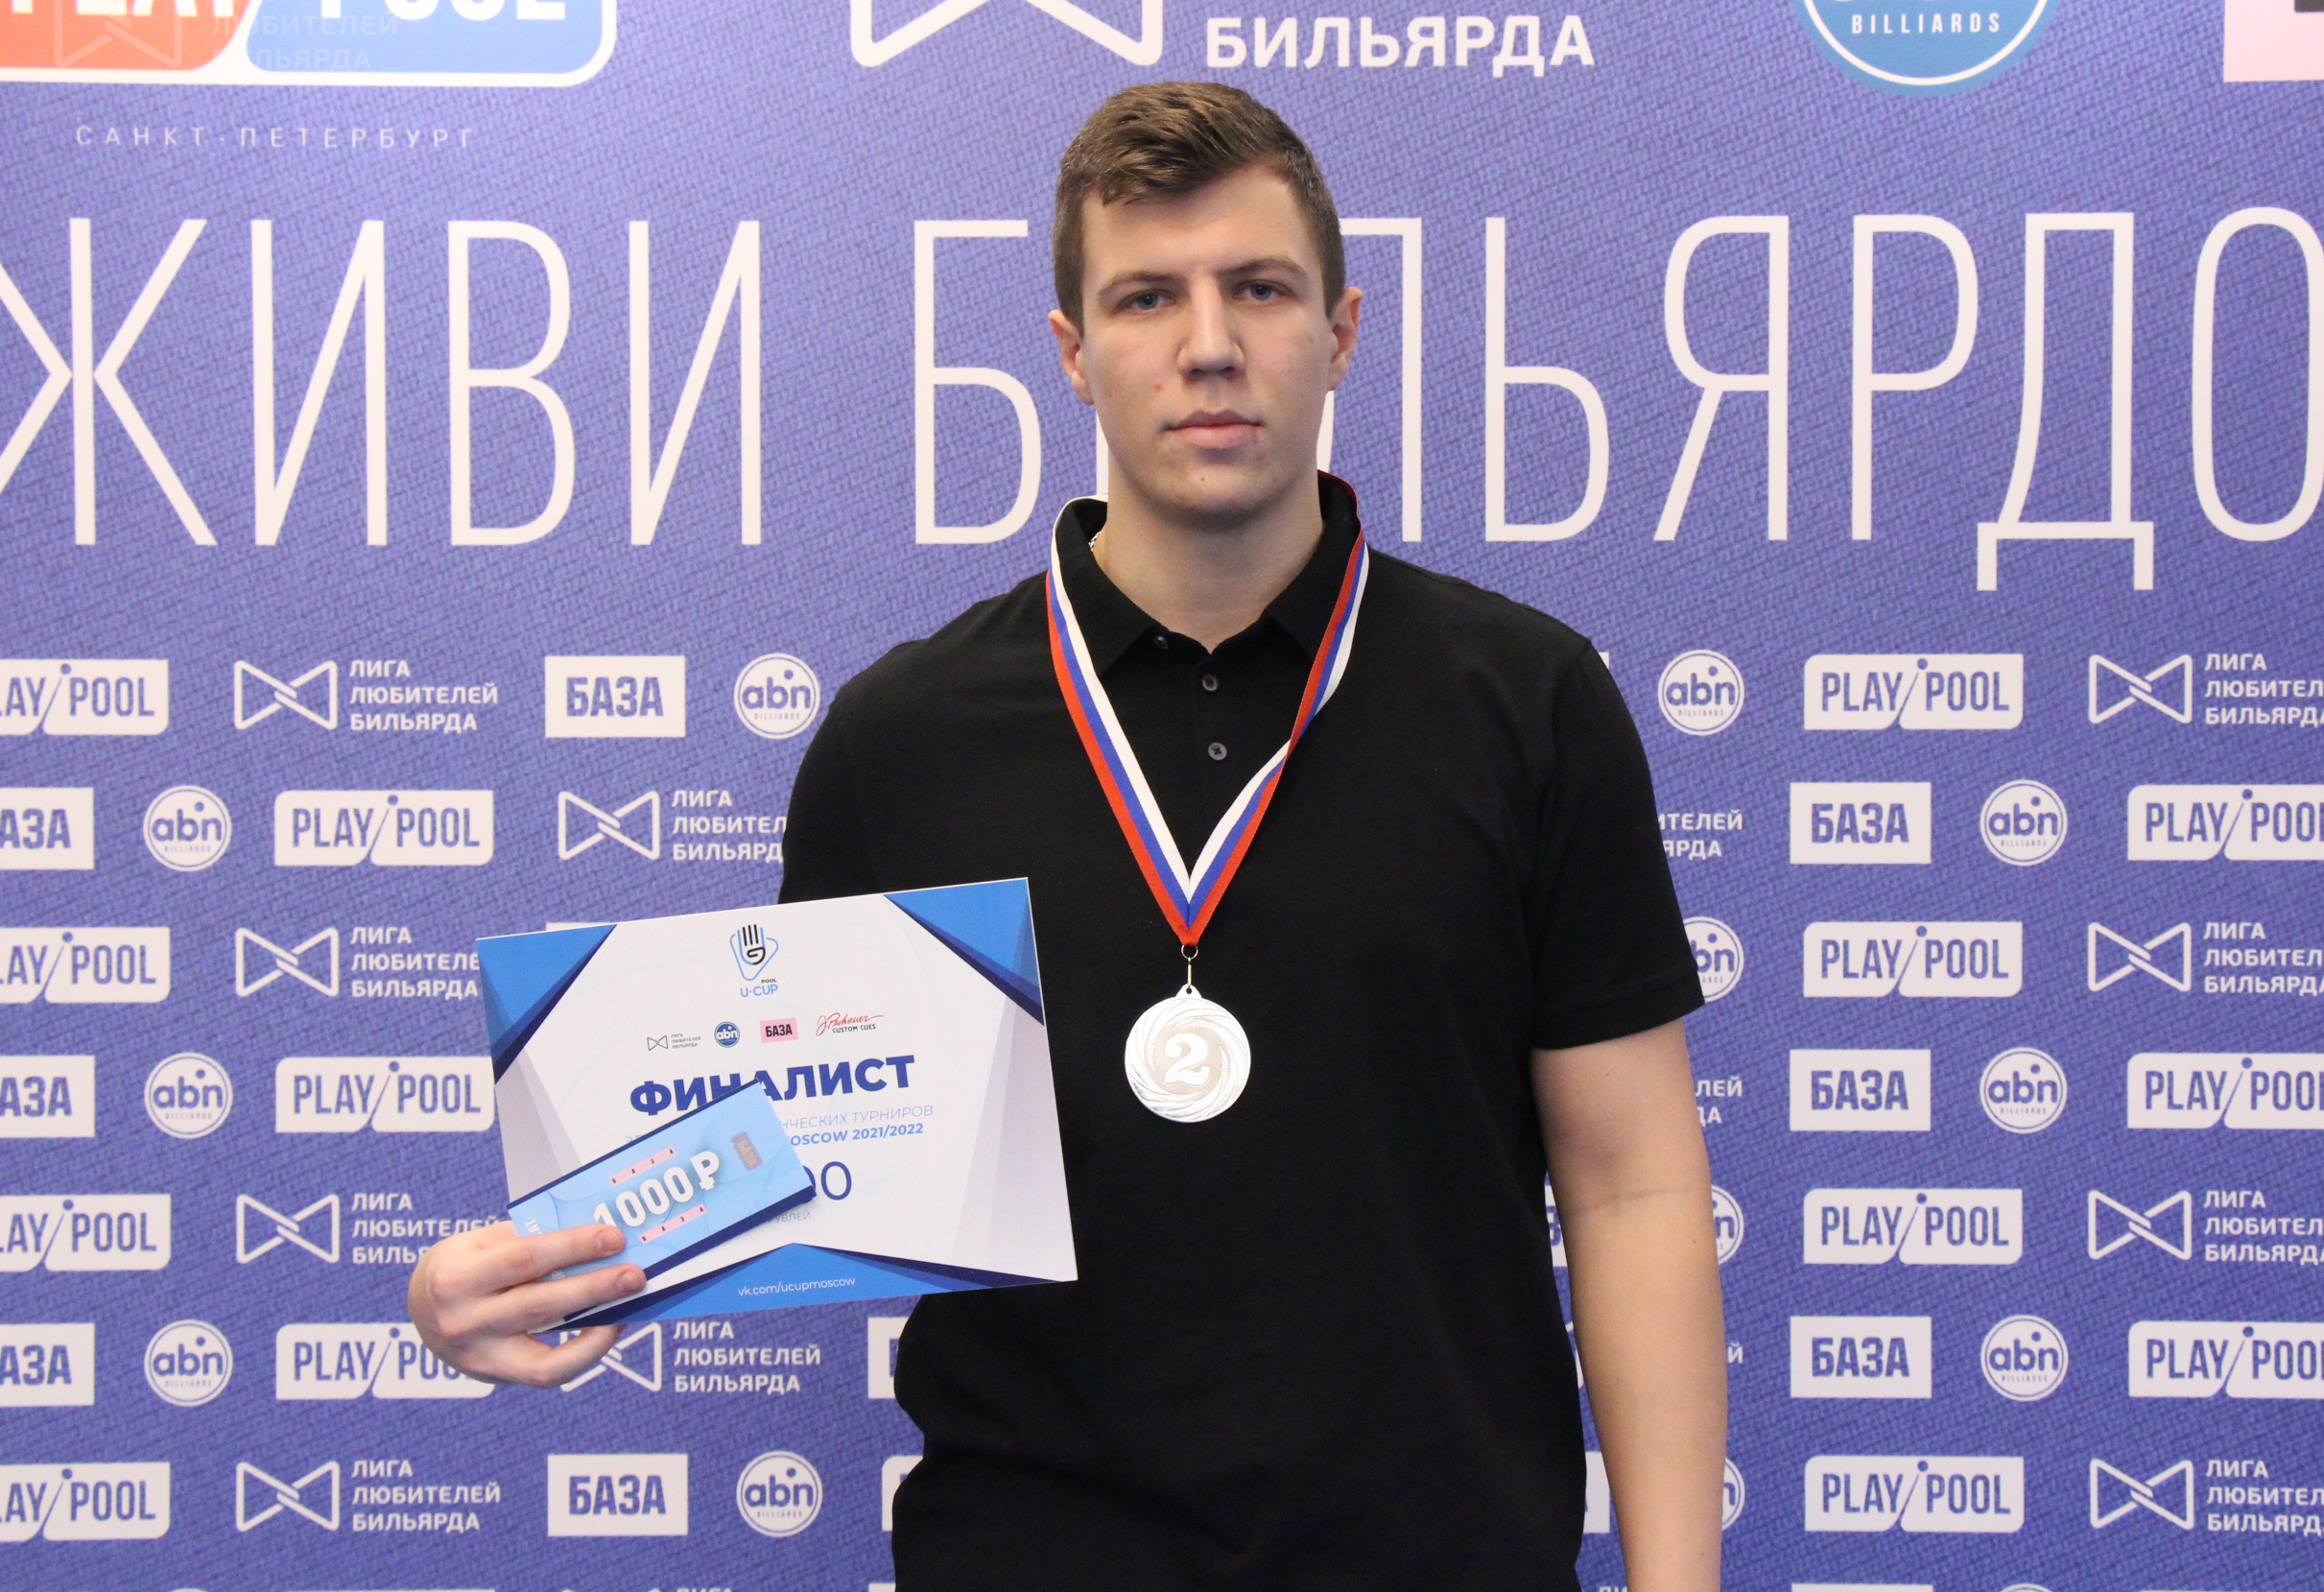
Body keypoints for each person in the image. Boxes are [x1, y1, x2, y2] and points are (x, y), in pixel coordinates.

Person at [409, 82, 1725, 1591]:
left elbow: (1631, 1182)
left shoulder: (1528, 703)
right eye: (1147, 297)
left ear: (1342, 331)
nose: (1209, 343)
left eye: (1260, 288)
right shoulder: (901, 742)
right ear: (1073, 353)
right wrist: (530, 1277)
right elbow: (780, 1146)